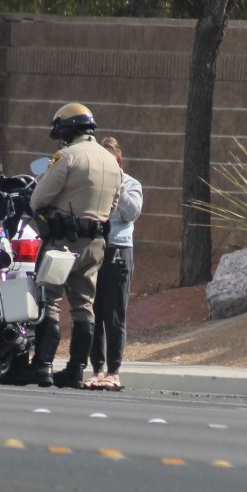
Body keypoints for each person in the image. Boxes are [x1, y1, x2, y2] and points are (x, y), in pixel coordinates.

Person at [2, 102, 122, 388]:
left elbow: (37, 199)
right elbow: (113, 206)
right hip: (95, 244)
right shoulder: (111, 162)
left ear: (68, 129)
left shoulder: (66, 157)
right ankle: (75, 370)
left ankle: (42, 365)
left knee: (50, 300)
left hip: (62, 242)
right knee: (84, 306)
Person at [84, 137, 142, 391]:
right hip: (95, 249)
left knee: (114, 312)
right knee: (92, 311)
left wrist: (116, 182)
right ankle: (96, 369)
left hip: (119, 250)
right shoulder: (93, 184)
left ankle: (113, 371)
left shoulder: (131, 184)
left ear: (118, 160)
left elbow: (132, 213)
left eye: (109, 160)